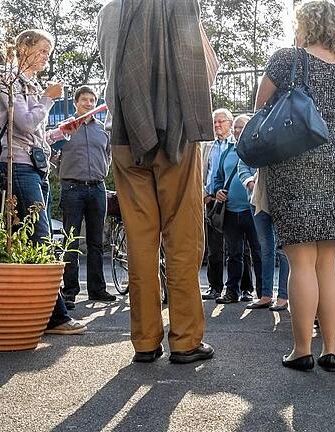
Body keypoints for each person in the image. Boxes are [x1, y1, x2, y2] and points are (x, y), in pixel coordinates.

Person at [97, 0, 215, 364]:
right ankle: (185, 341)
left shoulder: (108, 12)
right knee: (182, 238)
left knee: (140, 240)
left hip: (125, 132)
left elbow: (113, 70)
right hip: (174, 134)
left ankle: (145, 341)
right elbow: (205, 70)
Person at [255, 0, 335, 372]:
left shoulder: (286, 58)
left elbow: (260, 105)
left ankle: (302, 350)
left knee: (300, 259)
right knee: (327, 262)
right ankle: (331, 347)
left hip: (296, 160)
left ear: (305, 24)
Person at [0, 29, 86, 336]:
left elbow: (35, 135)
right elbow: (23, 123)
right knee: (41, 238)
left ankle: (42, 310)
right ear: (24, 47)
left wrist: (62, 131)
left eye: (49, 52)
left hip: (34, 165)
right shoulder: (9, 80)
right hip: (18, 166)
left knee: (38, 237)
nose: (46, 57)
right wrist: (48, 99)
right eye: (42, 50)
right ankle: (55, 316)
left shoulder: (29, 84)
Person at [59, 85, 115, 310]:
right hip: (72, 187)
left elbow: (108, 156)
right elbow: (53, 154)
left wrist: (101, 173)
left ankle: (97, 289)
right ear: (75, 103)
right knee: (70, 241)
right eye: (85, 100)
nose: (89, 104)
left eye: (92, 100)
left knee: (96, 242)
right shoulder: (65, 128)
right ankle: (70, 291)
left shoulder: (102, 130)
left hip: (97, 188)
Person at [235, 115, 290, 312]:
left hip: (281, 197)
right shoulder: (254, 136)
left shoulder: (285, 132)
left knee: (284, 250)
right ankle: (266, 295)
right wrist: (250, 182)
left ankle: (283, 296)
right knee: (265, 247)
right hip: (258, 198)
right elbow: (243, 163)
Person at [202, 109, 255, 303]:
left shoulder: (239, 146)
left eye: (221, 121)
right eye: (214, 122)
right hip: (215, 203)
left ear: (230, 123)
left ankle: (247, 289)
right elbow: (206, 173)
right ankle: (216, 287)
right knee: (215, 248)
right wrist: (209, 193)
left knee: (244, 250)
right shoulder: (208, 147)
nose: (217, 125)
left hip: (241, 205)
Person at [211, 122, 263, 307]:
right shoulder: (228, 151)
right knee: (233, 254)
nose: (239, 130)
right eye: (236, 128)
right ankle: (232, 291)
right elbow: (217, 178)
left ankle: (262, 294)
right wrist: (217, 190)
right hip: (231, 211)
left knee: (258, 252)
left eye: (243, 127)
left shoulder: (257, 149)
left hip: (253, 210)